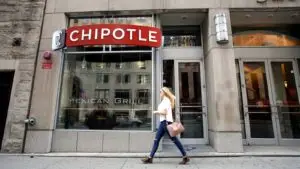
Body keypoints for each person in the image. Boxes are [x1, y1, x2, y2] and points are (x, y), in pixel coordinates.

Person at [141, 87, 190, 164]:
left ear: (164, 92)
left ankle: (185, 156)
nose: (159, 93)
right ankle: (150, 158)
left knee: (174, 140)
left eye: (161, 91)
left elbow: (165, 112)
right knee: (156, 140)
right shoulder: (164, 100)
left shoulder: (166, 100)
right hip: (163, 123)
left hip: (166, 123)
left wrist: (155, 112)